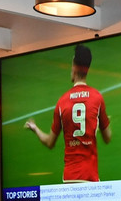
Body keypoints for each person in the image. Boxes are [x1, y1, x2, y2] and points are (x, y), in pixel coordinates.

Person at [25, 44, 111, 182]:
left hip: (69, 178)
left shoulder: (62, 101)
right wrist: (100, 126)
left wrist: (35, 129)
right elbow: (107, 138)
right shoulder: (97, 98)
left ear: (74, 67)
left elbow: (49, 143)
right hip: (90, 177)